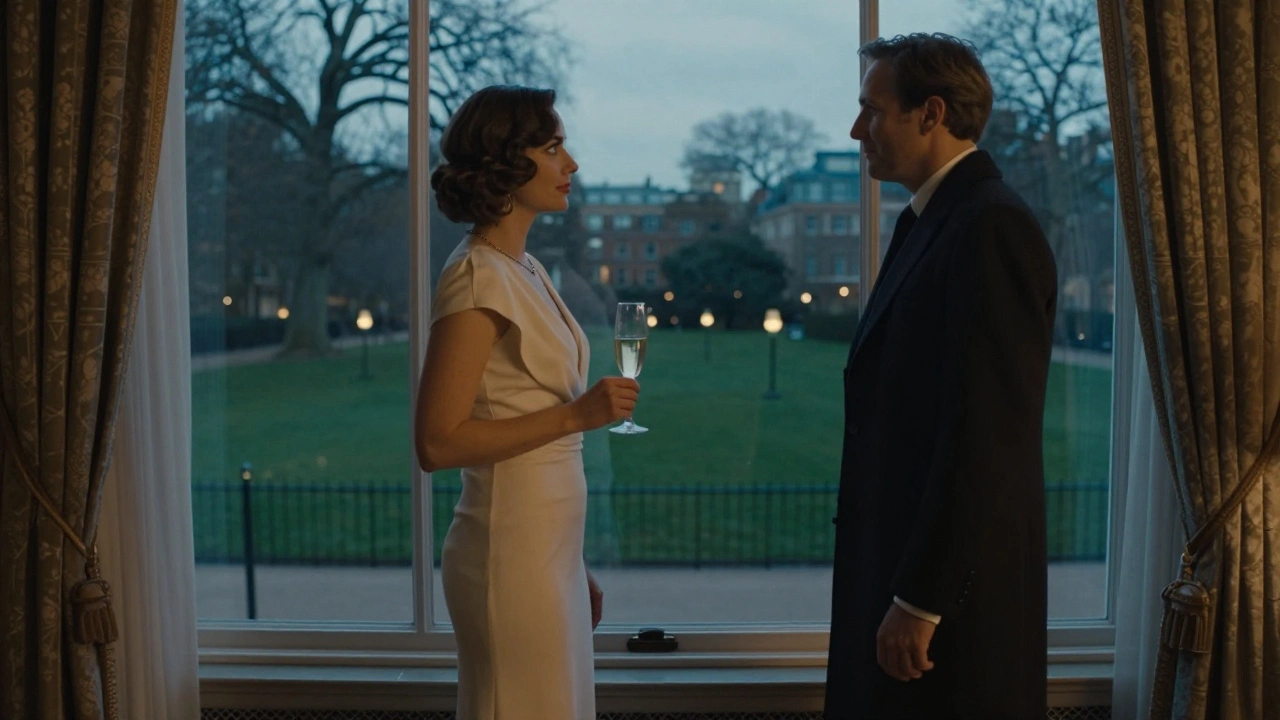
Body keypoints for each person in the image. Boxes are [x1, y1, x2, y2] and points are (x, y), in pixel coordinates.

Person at [827, 33, 1058, 719]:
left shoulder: (990, 227)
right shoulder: (936, 220)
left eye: (872, 109)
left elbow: (989, 437)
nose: (856, 129)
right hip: (907, 589)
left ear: (930, 113)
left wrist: (920, 599)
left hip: (946, 619)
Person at [414, 84, 639, 720]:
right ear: (509, 162)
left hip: (546, 556)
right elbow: (437, 442)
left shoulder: (525, 268)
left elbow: (516, 413)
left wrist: (572, 562)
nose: (570, 165)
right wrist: (579, 415)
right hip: (507, 556)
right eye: (553, 148)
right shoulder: (477, 276)